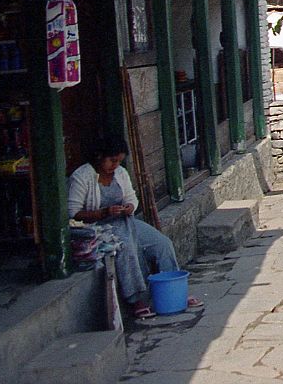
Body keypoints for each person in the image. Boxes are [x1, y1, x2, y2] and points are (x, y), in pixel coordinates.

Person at [67, 136, 200, 318]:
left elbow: (131, 198)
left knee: (162, 244)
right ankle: (137, 299)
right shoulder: (82, 176)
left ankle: (176, 292)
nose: (115, 165)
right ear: (99, 156)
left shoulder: (120, 173)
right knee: (127, 248)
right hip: (97, 228)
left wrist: (129, 207)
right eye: (112, 160)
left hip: (125, 221)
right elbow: (73, 213)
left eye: (119, 161)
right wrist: (103, 213)